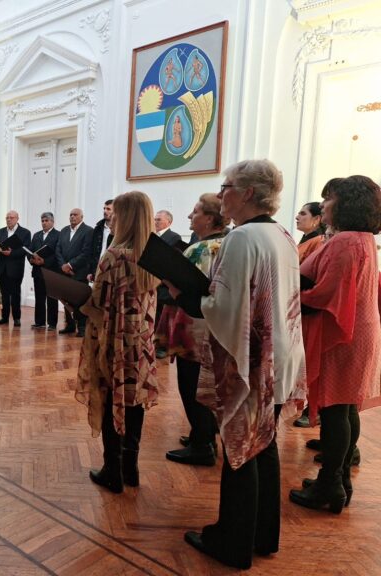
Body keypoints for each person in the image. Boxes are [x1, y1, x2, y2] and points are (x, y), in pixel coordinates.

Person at [167, 159, 306, 570]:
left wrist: (182, 294)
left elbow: (224, 308)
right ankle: (263, 536)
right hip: (280, 352)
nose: (221, 193)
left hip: (253, 358)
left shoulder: (242, 238)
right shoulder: (281, 234)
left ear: (247, 193)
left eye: (226, 186)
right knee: (264, 446)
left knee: (240, 451)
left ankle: (231, 542)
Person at [289, 176, 381, 513]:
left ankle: (330, 486)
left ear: (345, 203)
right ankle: (339, 480)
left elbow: (327, 294)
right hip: (354, 329)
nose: (323, 204)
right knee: (344, 408)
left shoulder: (345, 241)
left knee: (336, 410)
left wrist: (286, 295)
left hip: (342, 333)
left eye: (329, 198)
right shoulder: (361, 238)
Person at [75, 191, 160, 494]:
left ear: (127, 218)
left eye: (116, 214)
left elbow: (97, 303)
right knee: (134, 401)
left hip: (114, 341)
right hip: (142, 343)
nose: (110, 219)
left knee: (113, 399)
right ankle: (130, 467)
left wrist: (76, 300)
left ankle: (112, 470)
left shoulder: (114, 256)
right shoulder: (153, 254)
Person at [157, 193, 229, 467]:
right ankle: (205, 434)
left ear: (210, 218)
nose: (190, 216)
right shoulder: (230, 244)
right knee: (210, 386)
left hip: (194, 330)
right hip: (219, 328)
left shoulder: (200, 250)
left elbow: (184, 288)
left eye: (196, 211)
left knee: (192, 386)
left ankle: (202, 445)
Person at [292, 200, 328, 427]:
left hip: (310, 308)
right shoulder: (307, 240)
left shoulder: (319, 242)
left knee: (310, 359)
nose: (297, 216)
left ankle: (312, 409)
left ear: (317, 219)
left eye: (303, 214)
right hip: (299, 306)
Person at [56, 208, 93, 336]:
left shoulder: (88, 231)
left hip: (79, 272)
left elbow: (86, 252)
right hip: (64, 272)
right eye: (70, 214)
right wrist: (62, 265)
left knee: (80, 300)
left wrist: (70, 265)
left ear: (82, 217)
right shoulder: (64, 230)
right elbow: (58, 249)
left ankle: (82, 327)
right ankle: (70, 325)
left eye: (75, 215)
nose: (72, 217)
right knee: (66, 299)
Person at [0, 210, 31, 327]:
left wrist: (11, 253)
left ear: (17, 219)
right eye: (7, 218)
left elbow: (26, 249)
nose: (9, 219)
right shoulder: (1, 231)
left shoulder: (25, 232)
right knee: (4, 294)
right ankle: (4, 317)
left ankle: (17, 318)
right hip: (2, 268)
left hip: (15, 268)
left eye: (11, 217)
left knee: (15, 294)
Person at [154, 209, 183, 358]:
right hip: (151, 281)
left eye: (159, 219)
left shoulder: (174, 237)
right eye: (155, 219)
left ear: (168, 222)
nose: (155, 222)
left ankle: (162, 347)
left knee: (163, 317)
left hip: (164, 283)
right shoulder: (151, 236)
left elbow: (171, 262)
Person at [28, 212, 60, 330]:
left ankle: (52, 323)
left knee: (52, 298)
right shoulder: (36, 235)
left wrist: (44, 262)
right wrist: (31, 259)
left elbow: (58, 253)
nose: (44, 223)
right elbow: (30, 250)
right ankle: (40, 322)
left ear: (52, 222)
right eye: (42, 221)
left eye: (46, 221)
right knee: (39, 298)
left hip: (51, 271)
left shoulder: (58, 235)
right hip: (37, 271)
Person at [89, 200, 114, 274]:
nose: (105, 211)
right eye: (104, 208)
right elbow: (92, 251)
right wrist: (90, 271)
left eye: (108, 209)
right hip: (97, 268)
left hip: (112, 269)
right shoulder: (98, 228)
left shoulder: (121, 230)